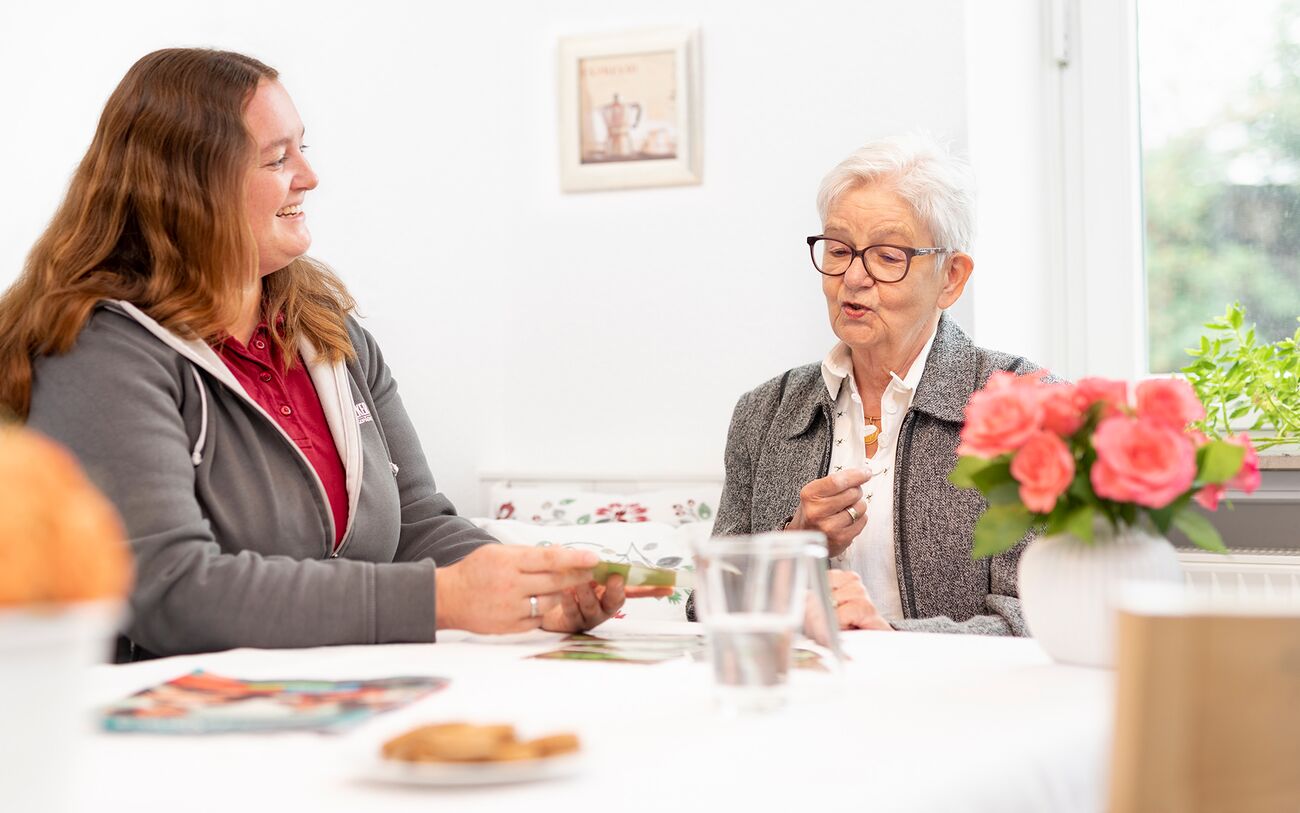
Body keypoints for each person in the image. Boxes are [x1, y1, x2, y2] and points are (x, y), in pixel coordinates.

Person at [0, 48, 667, 659]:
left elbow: (415, 527)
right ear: (189, 186)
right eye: (277, 158)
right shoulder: (100, 351)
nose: (309, 177)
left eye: (303, 149)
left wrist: (535, 582)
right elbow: (173, 592)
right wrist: (446, 600)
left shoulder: (327, 334)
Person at [707, 134, 1042, 635]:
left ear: (951, 277)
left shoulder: (1024, 404)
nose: (853, 278)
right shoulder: (766, 412)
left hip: (954, 703)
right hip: (804, 695)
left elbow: (1040, 617)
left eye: (887, 257)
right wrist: (796, 541)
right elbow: (707, 606)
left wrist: (893, 638)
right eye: (839, 249)